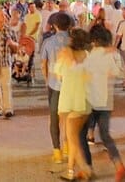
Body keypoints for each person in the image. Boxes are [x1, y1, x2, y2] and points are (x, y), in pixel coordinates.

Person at [80, 24, 125, 181]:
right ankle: (119, 165)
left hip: (89, 100)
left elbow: (81, 73)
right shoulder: (113, 54)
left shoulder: (90, 55)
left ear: (93, 40)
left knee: (81, 134)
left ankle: (88, 168)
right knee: (106, 135)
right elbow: (121, 74)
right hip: (107, 101)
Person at [56, 28, 92, 181]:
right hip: (85, 100)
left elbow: (58, 75)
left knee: (72, 138)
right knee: (74, 138)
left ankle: (85, 169)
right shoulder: (87, 55)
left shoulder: (65, 54)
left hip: (71, 100)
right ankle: (70, 171)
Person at [40, 11, 74, 163]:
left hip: (54, 85)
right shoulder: (74, 41)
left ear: (54, 25)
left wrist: (47, 79)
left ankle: (57, 151)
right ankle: (67, 146)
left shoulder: (48, 42)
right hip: (72, 86)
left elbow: (43, 64)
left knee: (54, 119)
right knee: (68, 118)